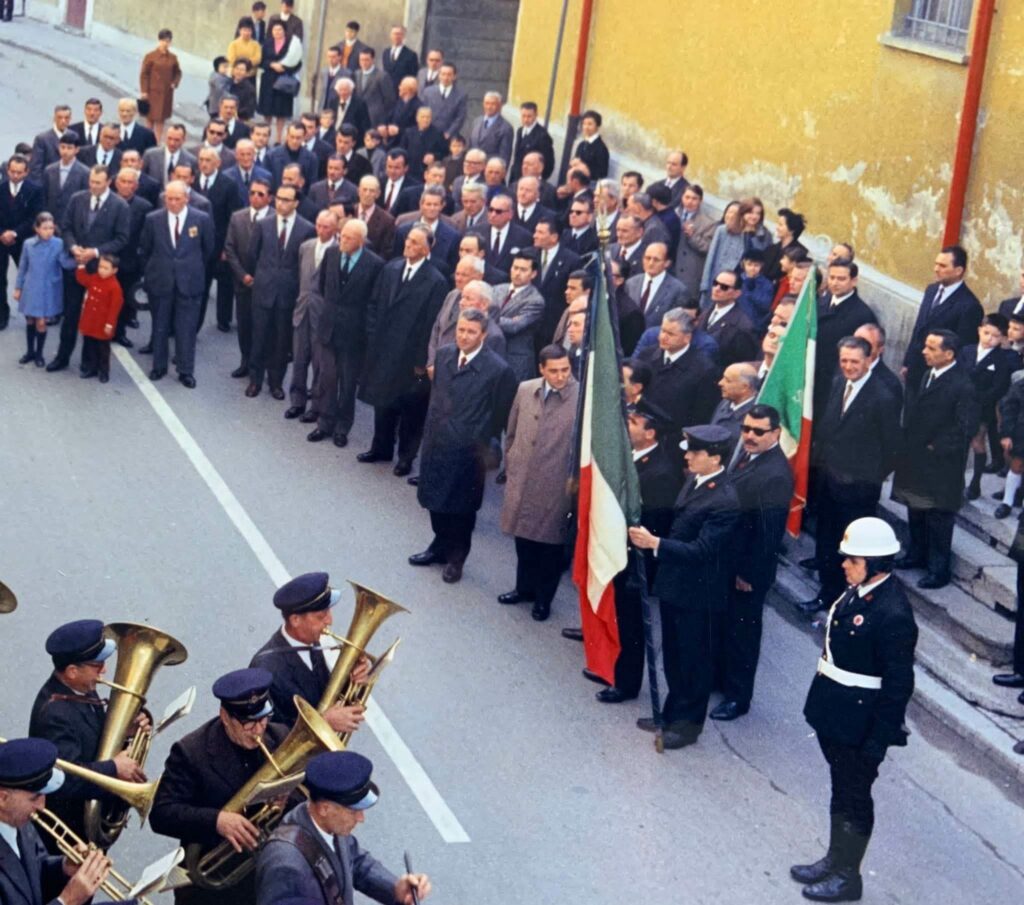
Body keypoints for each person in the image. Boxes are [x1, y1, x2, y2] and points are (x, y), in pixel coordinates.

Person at [793, 518, 917, 903]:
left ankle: (849, 876)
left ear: (878, 564)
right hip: (836, 711)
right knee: (841, 790)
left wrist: (878, 741)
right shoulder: (859, 591)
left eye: (853, 560)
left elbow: (898, 686)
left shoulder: (892, 611)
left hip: (861, 723)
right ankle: (835, 858)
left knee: (855, 797)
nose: (844, 565)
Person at [629, 424, 741, 749]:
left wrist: (655, 544)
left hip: (700, 595)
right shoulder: (695, 480)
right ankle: (669, 714)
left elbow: (703, 550)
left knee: (695, 662)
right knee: (676, 657)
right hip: (677, 586)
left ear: (715, 457)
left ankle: (688, 727)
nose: (688, 457)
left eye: (695, 452)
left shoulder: (725, 499)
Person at [150, 668, 290, 905]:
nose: (258, 730)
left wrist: (287, 798)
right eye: (247, 722)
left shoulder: (280, 738)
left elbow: (305, 792)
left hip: (268, 877)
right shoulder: (191, 752)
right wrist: (217, 821)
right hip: (213, 889)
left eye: (264, 718)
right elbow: (162, 814)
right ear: (225, 716)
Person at [411, 308, 517, 582]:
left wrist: (480, 441)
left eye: (471, 332)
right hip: (437, 442)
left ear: (483, 335)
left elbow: (501, 414)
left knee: (461, 509)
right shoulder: (445, 354)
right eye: (461, 329)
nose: (464, 336)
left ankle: (456, 559)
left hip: (468, 452)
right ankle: (439, 546)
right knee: (434, 500)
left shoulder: (498, 370)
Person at [799, 336, 901, 616]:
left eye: (854, 361)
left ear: (869, 361)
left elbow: (892, 447)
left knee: (851, 548)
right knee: (827, 541)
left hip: (858, 490)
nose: (848, 366)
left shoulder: (883, 396)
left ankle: (843, 601)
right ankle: (826, 594)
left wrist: (868, 478)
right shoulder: (837, 384)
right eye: (844, 360)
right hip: (829, 482)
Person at [255, 751, 431, 905]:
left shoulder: (328, 826)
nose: (361, 818)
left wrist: (395, 889)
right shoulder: (286, 867)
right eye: (353, 811)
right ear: (325, 808)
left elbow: (356, 861)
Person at [28, 619, 146, 846]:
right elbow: (64, 778)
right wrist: (114, 768)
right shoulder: (54, 714)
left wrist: (128, 731)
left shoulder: (84, 690)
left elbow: (99, 737)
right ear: (72, 671)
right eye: (97, 665)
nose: (105, 670)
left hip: (87, 827)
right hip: (67, 835)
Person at [595, 399, 682, 702]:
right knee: (615, 616)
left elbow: (653, 524)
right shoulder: (634, 456)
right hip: (616, 553)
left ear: (650, 433)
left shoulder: (661, 473)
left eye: (633, 423)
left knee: (631, 626)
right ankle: (612, 666)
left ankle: (626, 683)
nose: (626, 426)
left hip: (635, 563)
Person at [713, 406, 794, 720]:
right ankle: (721, 680)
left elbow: (769, 533)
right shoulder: (751, 458)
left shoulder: (775, 474)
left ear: (775, 434)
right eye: (746, 428)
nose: (749, 436)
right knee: (726, 626)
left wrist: (749, 573)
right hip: (732, 560)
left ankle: (737, 697)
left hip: (748, 569)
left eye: (758, 431)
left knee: (743, 635)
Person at [357, 225, 449, 475]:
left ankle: (406, 457)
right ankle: (381, 448)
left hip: (411, 359)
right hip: (384, 349)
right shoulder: (391, 268)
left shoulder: (435, 281)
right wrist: (373, 335)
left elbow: (431, 323)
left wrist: (420, 360)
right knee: (382, 402)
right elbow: (374, 304)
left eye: (415, 242)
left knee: (411, 409)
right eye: (408, 240)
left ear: (427, 248)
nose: (408, 245)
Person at [892, 330, 979, 589]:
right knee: (915, 509)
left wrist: (935, 447)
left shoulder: (963, 386)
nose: (924, 351)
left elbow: (966, 428)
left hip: (941, 466)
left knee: (939, 519)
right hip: (917, 459)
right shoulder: (926, 374)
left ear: (948, 354)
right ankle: (916, 554)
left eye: (931, 348)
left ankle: (938, 571)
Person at [498, 345, 579, 621]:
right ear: (541, 370)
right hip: (523, 480)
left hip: (556, 485)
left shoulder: (581, 399)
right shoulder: (526, 389)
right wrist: (511, 461)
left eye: (565, 370)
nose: (561, 377)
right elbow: (512, 430)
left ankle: (543, 599)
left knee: (550, 548)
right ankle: (523, 588)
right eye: (554, 371)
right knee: (523, 540)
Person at [0, 737, 116, 905]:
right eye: (35, 798)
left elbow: (35, 869)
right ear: (3, 798)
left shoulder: (18, 820)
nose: (42, 807)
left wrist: (63, 867)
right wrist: (67, 901)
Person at [249, 572, 369, 731]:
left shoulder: (310, 642)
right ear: (295, 620)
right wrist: (324, 723)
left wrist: (352, 680)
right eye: (321, 616)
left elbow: (323, 695)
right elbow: (267, 734)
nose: (330, 621)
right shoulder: (265, 670)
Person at [49, 166, 130, 375]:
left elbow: (122, 238)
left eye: (98, 182)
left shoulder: (119, 206)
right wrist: (73, 247)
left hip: (101, 272)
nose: (93, 186)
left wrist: (95, 252)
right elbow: (65, 227)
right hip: (77, 268)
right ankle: (62, 357)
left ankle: (89, 363)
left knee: (95, 318)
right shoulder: (77, 199)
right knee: (71, 315)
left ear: (108, 182)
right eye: (91, 182)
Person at [137, 180, 215, 387]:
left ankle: (186, 370)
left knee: (186, 328)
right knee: (160, 326)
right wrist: (154, 271)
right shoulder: (153, 219)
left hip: (189, 283)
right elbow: (145, 249)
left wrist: (190, 268)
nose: (172, 203)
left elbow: (208, 249)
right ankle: (159, 366)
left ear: (186, 199)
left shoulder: (201, 219)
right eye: (168, 199)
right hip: (161, 281)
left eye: (177, 199)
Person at [245, 183, 316, 399]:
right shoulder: (263, 224)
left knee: (281, 341)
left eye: (286, 200)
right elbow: (251, 255)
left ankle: (276, 383)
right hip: (263, 291)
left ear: (296, 203)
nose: (281, 203)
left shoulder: (306, 228)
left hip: (287, 294)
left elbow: (304, 262)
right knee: (258, 338)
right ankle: (255, 381)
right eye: (279, 198)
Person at [902, 245, 984, 391]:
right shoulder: (931, 290)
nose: (936, 269)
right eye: (936, 264)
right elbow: (919, 327)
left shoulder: (969, 305)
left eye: (942, 266)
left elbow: (963, 346)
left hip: (939, 376)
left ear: (958, 271)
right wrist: (908, 361)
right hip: (916, 368)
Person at [285, 210, 336, 421]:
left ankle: (316, 406)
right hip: (302, 310)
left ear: (334, 229)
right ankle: (297, 401)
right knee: (299, 359)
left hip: (321, 315)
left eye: (326, 227)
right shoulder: (306, 247)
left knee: (319, 363)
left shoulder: (337, 250)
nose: (321, 230)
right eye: (319, 225)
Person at [637, 308, 720, 435]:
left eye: (670, 334)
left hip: (674, 437)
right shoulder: (646, 356)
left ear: (687, 338)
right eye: (662, 330)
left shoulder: (704, 370)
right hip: (643, 433)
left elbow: (701, 415)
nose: (663, 337)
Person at [814, 259, 878, 421]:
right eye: (832, 277)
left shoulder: (862, 314)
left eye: (841, 279)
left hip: (834, 382)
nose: (835, 283)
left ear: (854, 281)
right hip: (812, 378)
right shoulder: (819, 303)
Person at [224, 177, 272, 379]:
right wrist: (242, 275)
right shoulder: (237, 217)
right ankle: (245, 361)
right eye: (252, 192)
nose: (255, 197)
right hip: (243, 282)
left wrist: (260, 278)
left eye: (261, 194)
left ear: (269, 198)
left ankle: (263, 365)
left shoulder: (274, 218)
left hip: (266, 284)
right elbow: (230, 248)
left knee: (265, 328)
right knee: (244, 325)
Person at [962, 314, 1014, 501]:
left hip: (983, 407)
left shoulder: (1001, 360)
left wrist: (979, 400)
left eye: (995, 336)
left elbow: (998, 387)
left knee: (977, 441)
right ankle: (957, 480)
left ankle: (975, 483)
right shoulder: (967, 351)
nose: (989, 339)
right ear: (979, 331)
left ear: (1002, 338)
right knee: (959, 442)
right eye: (986, 333)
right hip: (961, 404)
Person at [194, 148, 245, 333]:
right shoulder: (193, 181)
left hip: (218, 243)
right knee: (200, 287)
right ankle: (194, 326)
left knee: (224, 283)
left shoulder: (228, 185)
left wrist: (227, 247)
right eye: (201, 159)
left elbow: (234, 217)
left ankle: (223, 319)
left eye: (208, 160)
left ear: (217, 163)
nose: (204, 163)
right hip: (196, 244)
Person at [14, 213, 74, 366]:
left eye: (51, 228)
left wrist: (79, 261)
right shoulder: (28, 244)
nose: (48, 231)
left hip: (48, 287)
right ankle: (30, 352)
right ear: (37, 229)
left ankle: (39, 354)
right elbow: (23, 267)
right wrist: (18, 287)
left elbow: (65, 262)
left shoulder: (59, 243)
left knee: (41, 322)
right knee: (30, 320)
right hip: (31, 286)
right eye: (45, 228)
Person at [1, 155, 45, 331]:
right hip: (1, 240)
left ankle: (31, 313)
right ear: (7, 170)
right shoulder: (1, 188)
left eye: (19, 172)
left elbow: (35, 216)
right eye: (12, 172)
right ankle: (2, 315)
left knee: (28, 279)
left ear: (26, 172)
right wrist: (2, 233)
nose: (16, 175)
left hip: (23, 241)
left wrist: (15, 233)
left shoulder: (35, 190)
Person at [494, 252, 545, 382]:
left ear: (533, 274)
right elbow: (509, 322)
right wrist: (507, 320)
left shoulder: (535, 300)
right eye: (515, 267)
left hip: (515, 360)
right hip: (493, 352)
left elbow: (514, 326)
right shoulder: (497, 289)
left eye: (523, 269)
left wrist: (487, 316)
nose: (517, 273)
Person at [74, 256, 124, 384]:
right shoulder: (95, 278)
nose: (101, 270)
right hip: (90, 320)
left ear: (114, 270)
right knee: (90, 346)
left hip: (102, 323)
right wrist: (81, 266)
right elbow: (83, 279)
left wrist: (109, 324)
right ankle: (92, 368)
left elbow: (115, 307)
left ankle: (104, 371)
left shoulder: (114, 286)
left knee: (103, 350)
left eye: (106, 268)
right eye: (100, 267)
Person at [695, 269, 758, 367]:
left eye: (724, 287)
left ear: (737, 293)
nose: (717, 288)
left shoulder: (743, 326)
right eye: (715, 283)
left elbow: (743, 364)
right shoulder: (705, 312)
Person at [258, 21, 304, 143]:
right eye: (274, 30)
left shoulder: (292, 44)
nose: (277, 32)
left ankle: (278, 139)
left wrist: (284, 67)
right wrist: (272, 65)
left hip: (284, 81)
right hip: (268, 80)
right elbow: (261, 61)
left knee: (281, 112)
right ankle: (265, 137)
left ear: (284, 31)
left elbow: (298, 63)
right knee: (267, 111)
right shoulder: (267, 43)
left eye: (279, 30)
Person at [139, 29, 182, 144]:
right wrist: (144, 91)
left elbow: (178, 72)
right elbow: (144, 74)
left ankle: (157, 142)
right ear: (159, 40)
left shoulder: (173, 58)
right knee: (150, 119)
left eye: (168, 41)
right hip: (152, 92)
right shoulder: (151, 56)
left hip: (166, 93)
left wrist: (174, 83)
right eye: (163, 40)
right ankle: (146, 142)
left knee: (161, 120)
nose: (165, 43)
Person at [699, 200, 743, 308]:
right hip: (714, 280)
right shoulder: (721, 230)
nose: (730, 215)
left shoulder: (745, 236)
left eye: (734, 213)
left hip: (729, 285)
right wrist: (704, 284)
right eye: (728, 212)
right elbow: (711, 257)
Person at [43, 132, 89, 225]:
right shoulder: (49, 170)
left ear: (77, 149)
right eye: (62, 147)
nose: (65, 151)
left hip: (72, 220)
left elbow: (84, 200)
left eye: (69, 148)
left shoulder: (85, 172)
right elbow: (45, 196)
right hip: (51, 220)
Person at [709, 362, 759, 447]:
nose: (720, 383)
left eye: (728, 380)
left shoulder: (755, 416)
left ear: (745, 387)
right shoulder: (724, 403)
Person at [422, 63, 467, 141]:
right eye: (443, 74)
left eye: (449, 75)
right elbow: (423, 112)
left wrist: (449, 133)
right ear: (439, 75)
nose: (446, 77)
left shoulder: (461, 95)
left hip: (448, 137)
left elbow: (460, 117)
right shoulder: (428, 92)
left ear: (454, 76)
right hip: (428, 134)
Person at [468, 92, 513, 163]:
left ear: (500, 105)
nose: (489, 107)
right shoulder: (476, 121)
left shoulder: (506, 128)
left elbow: (504, 156)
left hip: (490, 168)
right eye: (487, 103)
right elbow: (470, 146)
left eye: (493, 104)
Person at [573, 110, 610, 180]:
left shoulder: (601, 148)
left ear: (597, 126)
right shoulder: (582, 144)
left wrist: (585, 168)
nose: (586, 127)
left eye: (590, 124)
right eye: (584, 124)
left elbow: (602, 173)